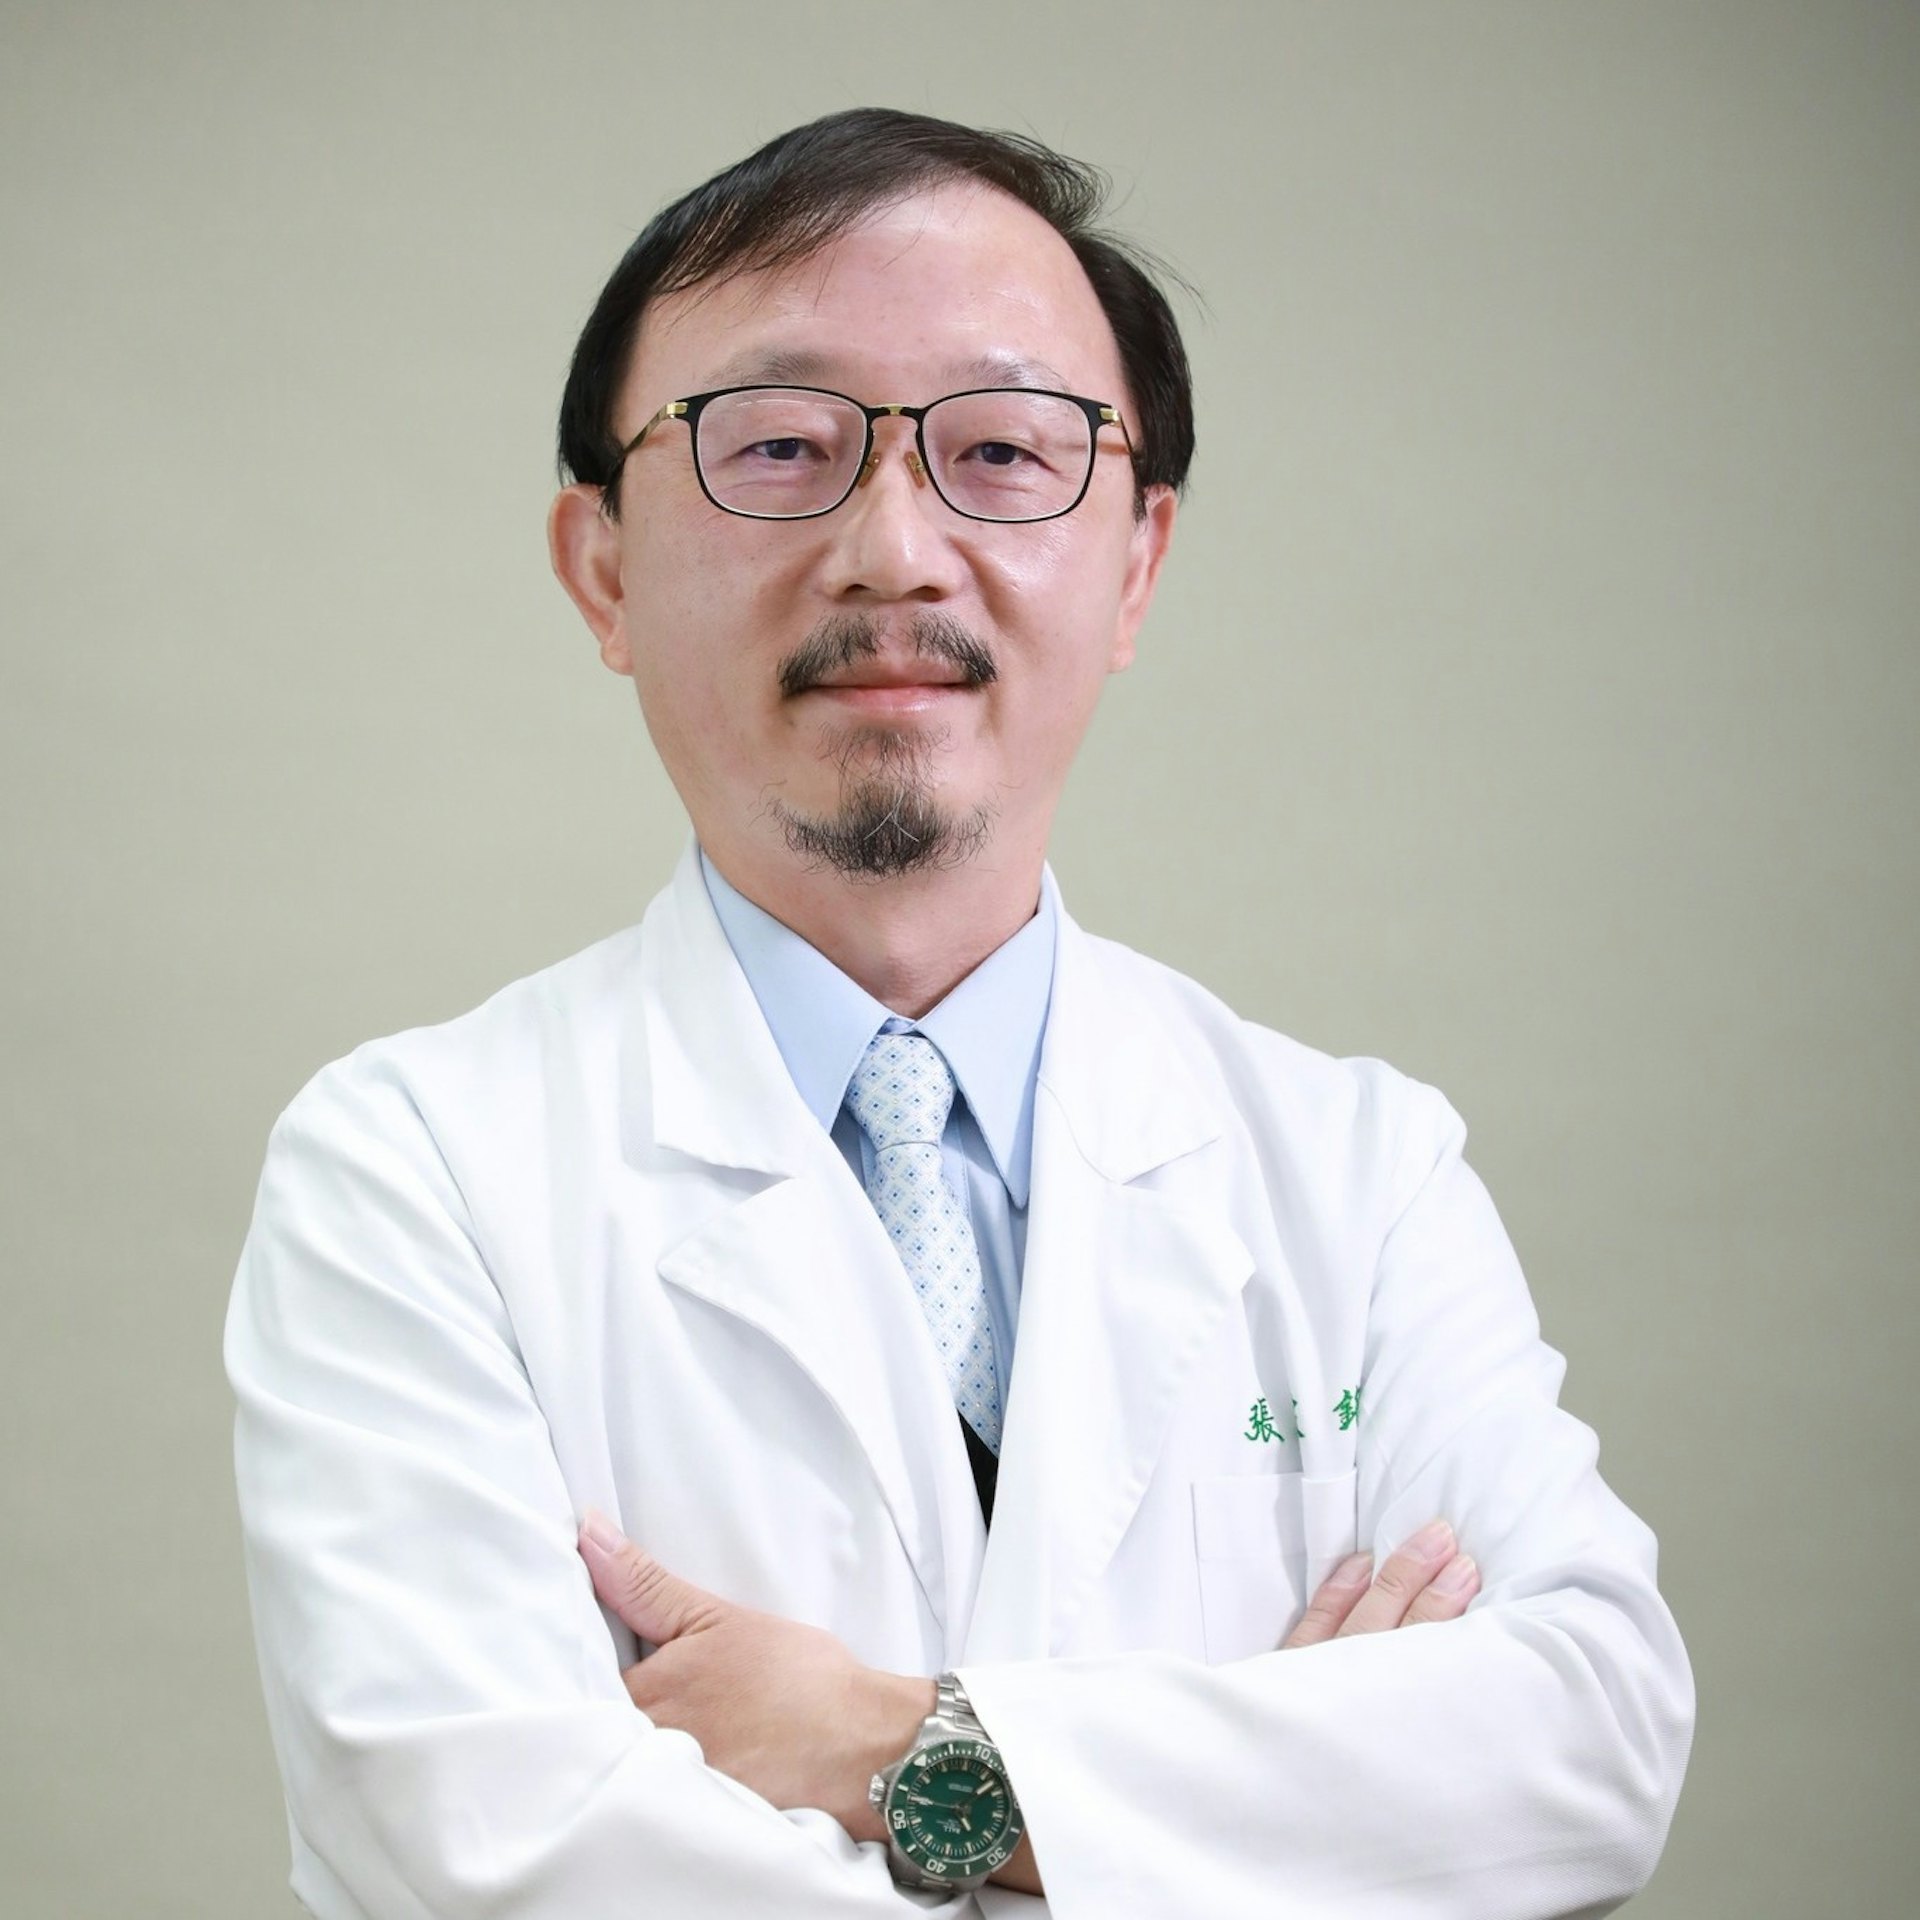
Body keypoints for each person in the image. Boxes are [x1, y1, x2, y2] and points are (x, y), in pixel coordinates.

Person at [226, 108, 1694, 1917]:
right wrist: (1297, 1814)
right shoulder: (411, 1175)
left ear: (1137, 563)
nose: (895, 551)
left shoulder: (1358, 1173)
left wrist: (897, 1748)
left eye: (1002, 451)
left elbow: (1592, 1744)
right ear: (602, 568)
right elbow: (495, 1857)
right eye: (778, 447)